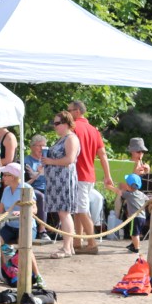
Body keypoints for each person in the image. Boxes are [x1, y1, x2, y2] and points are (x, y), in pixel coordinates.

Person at [68, 101, 115, 254]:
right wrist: (107, 175)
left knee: (81, 209)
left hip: (78, 174)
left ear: (76, 112)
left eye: (69, 111)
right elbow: (103, 154)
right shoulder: (94, 130)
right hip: (90, 175)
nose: (67, 114)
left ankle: (92, 243)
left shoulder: (73, 127)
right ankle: (77, 242)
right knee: (78, 208)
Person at [41, 111, 79, 258]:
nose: (54, 126)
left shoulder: (71, 138)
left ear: (66, 123)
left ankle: (67, 248)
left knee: (64, 212)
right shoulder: (62, 139)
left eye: (57, 123)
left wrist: (51, 161)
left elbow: (69, 159)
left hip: (64, 180)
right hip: (56, 181)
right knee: (62, 213)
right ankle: (68, 246)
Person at [109, 174, 147, 254]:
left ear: (129, 186)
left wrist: (109, 186)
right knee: (136, 233)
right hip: (143, 217)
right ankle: (133, 245)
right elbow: (148, 199)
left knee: (134, 234)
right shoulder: (141, 194)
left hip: (135, 218)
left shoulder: (129, 194)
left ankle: (136, 248)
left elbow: (118, 192)